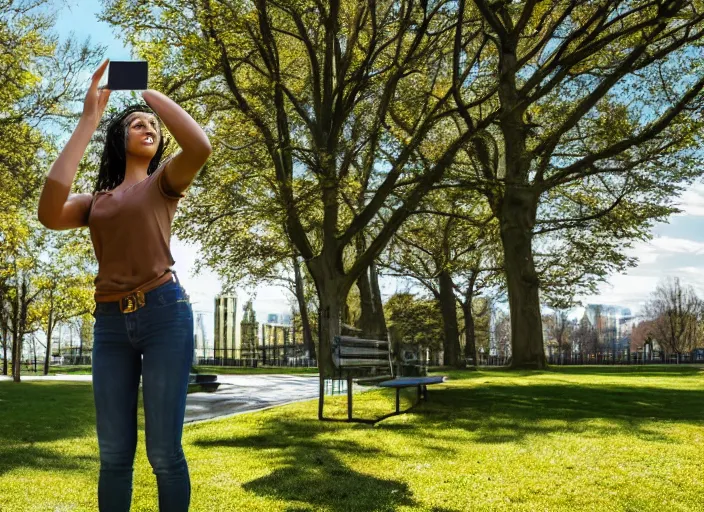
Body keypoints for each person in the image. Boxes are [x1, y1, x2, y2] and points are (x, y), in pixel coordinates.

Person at [37, 59, 212, 512]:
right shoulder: (95, 203)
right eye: (136, 123)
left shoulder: (163, 183)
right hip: (111, 325)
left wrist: (144, 93)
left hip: (164, 315)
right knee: (114, 456)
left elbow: (199, 146)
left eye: (153, 125)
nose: (148, 126)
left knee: (163, 454)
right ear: (120, 139)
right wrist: (88, 121)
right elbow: (49, 211)